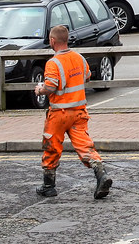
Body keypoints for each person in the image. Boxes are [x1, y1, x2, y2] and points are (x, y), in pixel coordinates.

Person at [33, 24, 112, 199]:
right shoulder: (79, 58)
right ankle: (101, 174)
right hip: (78, 112)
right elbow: (87, 76)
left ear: (52, 41)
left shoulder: (53, 63)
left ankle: (49, 186)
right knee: (85, 146)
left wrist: (40, 90)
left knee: (51, 147)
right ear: (67, 39)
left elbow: (51, 87)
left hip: (59, 113)